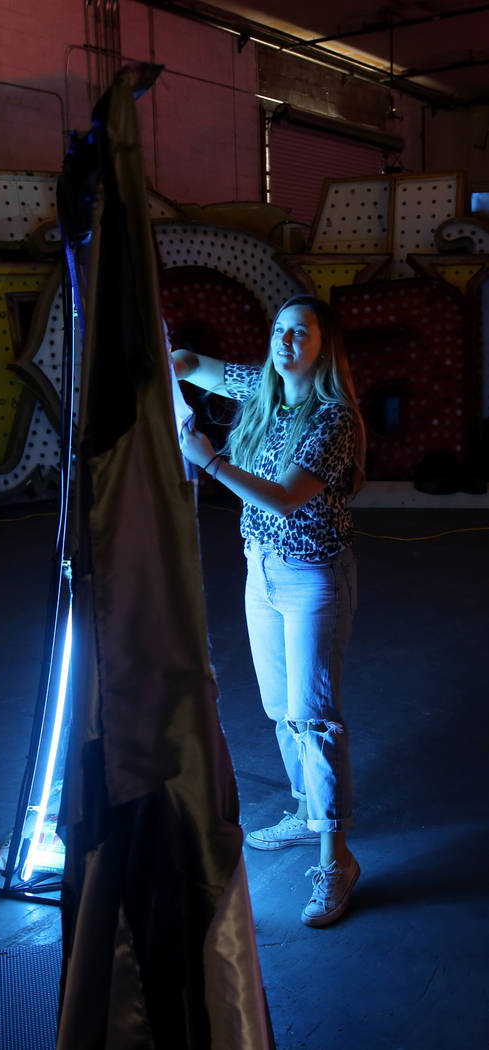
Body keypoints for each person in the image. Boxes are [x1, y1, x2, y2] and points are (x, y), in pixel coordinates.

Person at [171, 294, 366, 928]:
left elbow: (285, 499)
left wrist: (211, 462)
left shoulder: (333, 419)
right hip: (261, 572)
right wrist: (167, 360)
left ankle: (336, 859)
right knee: (280, 711)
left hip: (312, 578)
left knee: (314, 717)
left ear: (322, 345)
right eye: (280, 331)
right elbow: (197, 364)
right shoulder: (262, 387)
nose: (286, 343)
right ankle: (307, 813)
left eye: (300, 334)